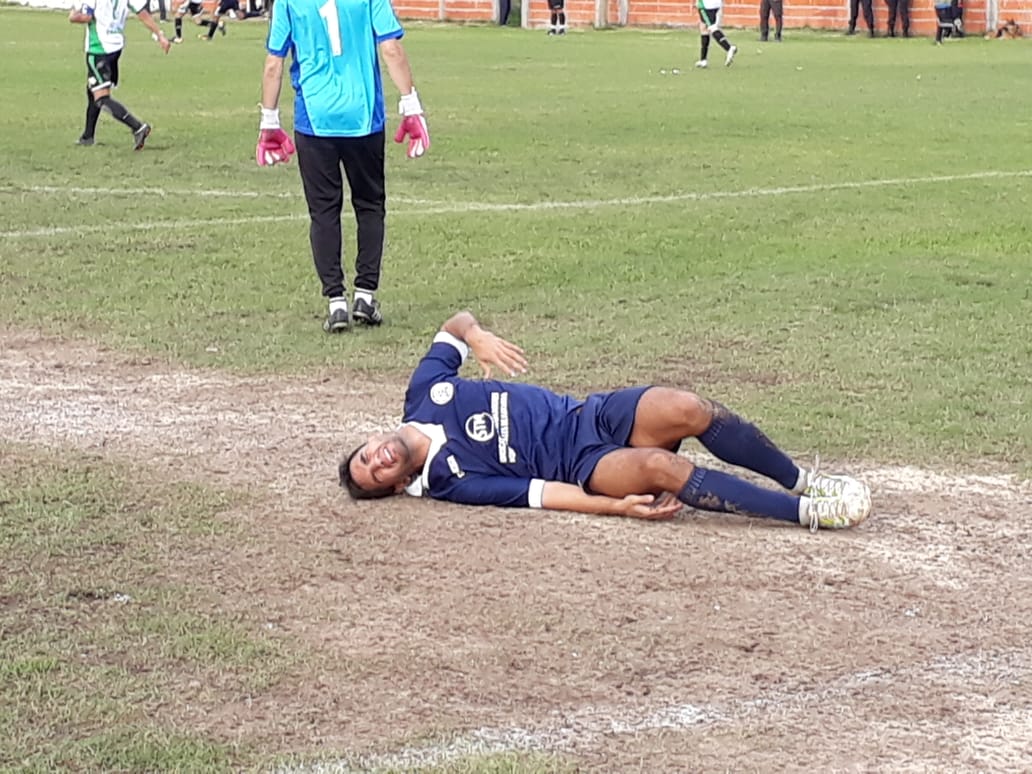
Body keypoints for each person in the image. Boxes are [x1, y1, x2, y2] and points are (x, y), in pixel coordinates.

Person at [339, 311, 873, 531]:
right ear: (400, 484)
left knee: (688, 408)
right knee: (661, 468)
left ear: (370, 439)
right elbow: (543, 494)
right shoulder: (452, 481)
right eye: (378, 475)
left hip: (587, 413)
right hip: (583, 463)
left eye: (367, 456)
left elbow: (456, 324)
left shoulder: (424, 392)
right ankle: (808, 512)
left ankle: (804, 480)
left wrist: (475, 336)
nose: (379, 461)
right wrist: (615, 507)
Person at [256, 0, 430, 333]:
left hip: (315, 118)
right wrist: (411, 105)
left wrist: (269, 121)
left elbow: (273, 64)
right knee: (369, 204)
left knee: (323, 210)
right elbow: (391, 48)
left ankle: (336, 302)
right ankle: (365, 295)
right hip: (362, 115)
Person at [69, 0, 171, 150]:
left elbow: (86, 17)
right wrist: (159, 35)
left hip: (99, 48)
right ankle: (87, 136)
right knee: (93, 89)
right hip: (115, 47)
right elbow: (142, 13)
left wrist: (73, 15)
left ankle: (138, 127)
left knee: (101, 98)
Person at [695, 0, 738, 69]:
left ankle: (729, 48)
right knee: (703, 27)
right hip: (717, 4)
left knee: (711, 27)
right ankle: (703, 60)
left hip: (706, 5)